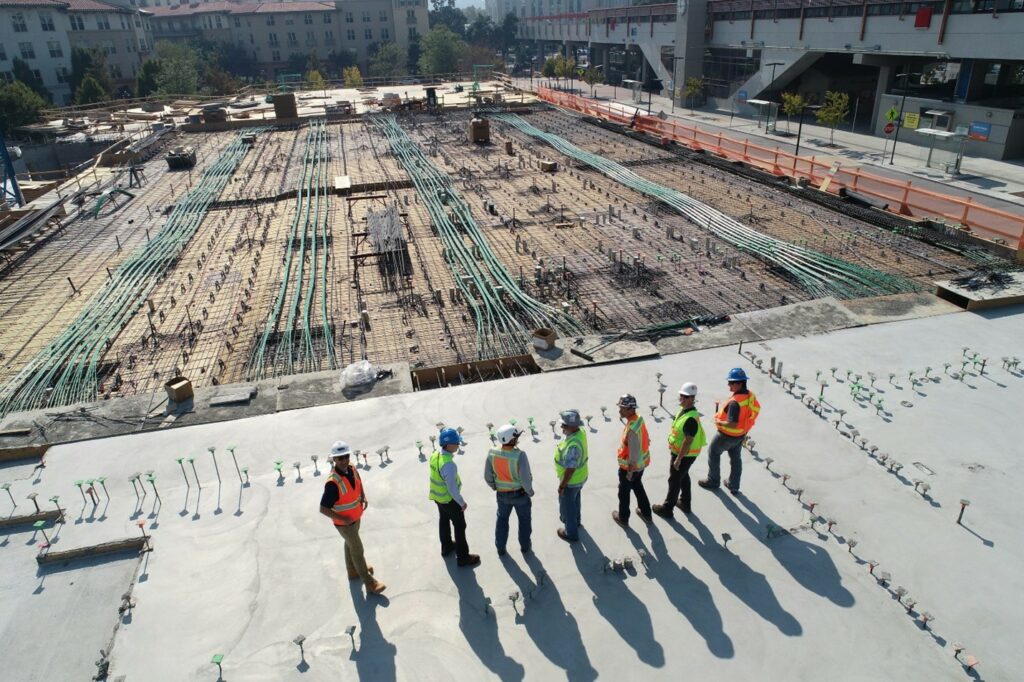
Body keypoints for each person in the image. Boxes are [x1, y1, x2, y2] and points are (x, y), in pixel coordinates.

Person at [319, 441, 386, 594]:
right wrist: (343, 520)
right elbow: (323, 508)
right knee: (357, 550)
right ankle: (370, 583)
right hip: (344, 524)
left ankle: (352, 571)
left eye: (346, 456)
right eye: (340, 458)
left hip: (356, 517)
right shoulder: (332, 483)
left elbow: (358, 482)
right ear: (334, 460)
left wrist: (363, 496)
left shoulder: (352, 468)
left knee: (350, 544)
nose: (344, 460)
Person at [700, 368, 761, 494]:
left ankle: (713, 480)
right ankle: (733, 485)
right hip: (741, 434)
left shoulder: (735, 403)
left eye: (731, 383)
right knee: (736, 459)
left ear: (739, 384)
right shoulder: (749, 396)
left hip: (726, 435)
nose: (728, 385)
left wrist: (718, 422)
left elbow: (732, 423)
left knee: (713, 453)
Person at [653, 383, 706, 518]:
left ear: (692, 398)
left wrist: (678, 459)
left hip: (684, 455)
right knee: (683, 476)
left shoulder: (690, 419)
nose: (681, 398)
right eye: (681, 395)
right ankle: (685, 502)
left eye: (685, 396)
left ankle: (667, 508)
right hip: (684, 454)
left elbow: (687, 441)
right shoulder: (684, 412)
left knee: (674, 480)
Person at [429, 428, 480, 567]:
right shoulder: (449, 464)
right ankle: (463, 557)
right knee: (460, 525)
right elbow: (452, 488)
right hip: (449, 500)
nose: (458, 445)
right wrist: (462, 503)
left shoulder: (435, 455)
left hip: (437, 497)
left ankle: (446, 547)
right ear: (448, 445)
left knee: (444, 520)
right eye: (456, 443)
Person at [485, 423, 535, 555]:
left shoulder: (492, 452)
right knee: (524, 521)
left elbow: (487, 475)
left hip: (502, 495)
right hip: (520, 495)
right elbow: (525, 478)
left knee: (502, 520)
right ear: (512, 440)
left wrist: (494, 485)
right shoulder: (520, 455)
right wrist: (530, 491)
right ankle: (525, 546)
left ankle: (500, 547)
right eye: (516, 437)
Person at [612, 394, 652, 527]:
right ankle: (646, 513)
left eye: (622, 408)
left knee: (624, 493)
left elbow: (633, 454)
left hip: (630, 468)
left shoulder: (632, 429)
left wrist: (629, 472)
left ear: (630, 409)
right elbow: (646, 437)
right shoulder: (638, 419)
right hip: (641, 465)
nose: (619, 410)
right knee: (638, 486)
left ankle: (623, 518)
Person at [554, 409, 588, 542]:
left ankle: (571, 532)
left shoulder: (573, 446)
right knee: (575, 500)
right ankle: (577, 522)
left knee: (568, 507)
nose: (562, 428)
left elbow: (570, 469)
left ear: (573, 427)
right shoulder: (580, 433)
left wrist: (562, 486)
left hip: (571, 481)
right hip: (580, 478)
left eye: (564, 425)